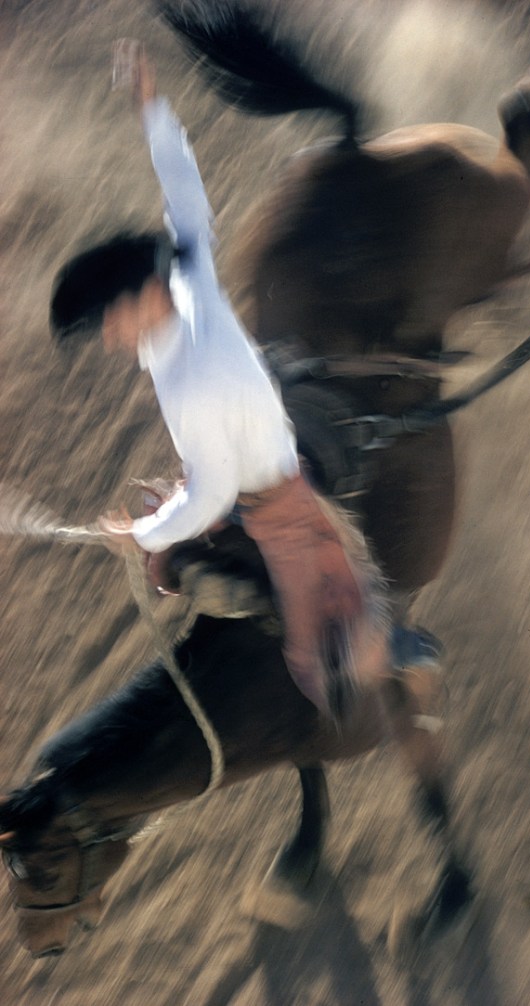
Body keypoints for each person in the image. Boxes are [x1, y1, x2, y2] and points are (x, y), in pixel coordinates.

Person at [50, 42, 389, 718]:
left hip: (274, 510)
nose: (112, 340)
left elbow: (208, 499)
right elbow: (184, 193)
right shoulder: (185, 273)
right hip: (236, 459)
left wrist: (142, 536)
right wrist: (151, 105)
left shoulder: (199, 376)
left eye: (108, 325)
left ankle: (390, 653)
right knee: (169, 551)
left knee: (319, 659)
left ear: (135, 299)